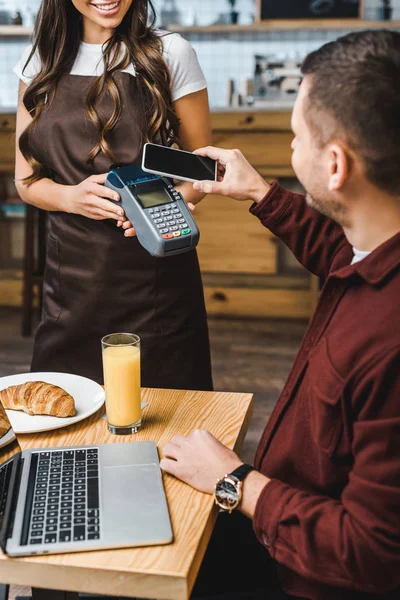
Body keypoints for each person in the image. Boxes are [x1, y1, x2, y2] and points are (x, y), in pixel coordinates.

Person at [160, 30, 400, 600]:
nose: (292, 150)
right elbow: (338, 252)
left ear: (336, 163)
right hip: (283, 526)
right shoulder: (373, 253)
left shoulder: (389, 339)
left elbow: (369, 554)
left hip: (305, 577)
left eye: (296, 137)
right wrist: (261, 192)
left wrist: (236, 483)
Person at [13, 0, 213, 390]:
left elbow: (201, 169)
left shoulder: (170, 53)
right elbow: (27, 181)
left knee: (167, 419)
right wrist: (72, 198)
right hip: (71, 284)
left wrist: (170, 208)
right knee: (64, 418)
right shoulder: (40, 59)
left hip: (157, 279)